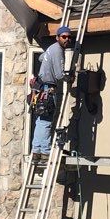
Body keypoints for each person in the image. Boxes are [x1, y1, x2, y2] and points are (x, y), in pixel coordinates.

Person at [30, 25, 73, 159]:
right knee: (46, 121)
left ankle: (36, 149)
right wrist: (70, 77)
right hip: (48, 88)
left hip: (41, 88)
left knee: (40, 119)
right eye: (64, 37)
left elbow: (41, 58)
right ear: (57, 37)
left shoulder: (51, 49)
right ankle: (45, 151)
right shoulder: (58, 50)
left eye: (69, 37)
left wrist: (48, 61)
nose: (67, 39)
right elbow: (60, 75)